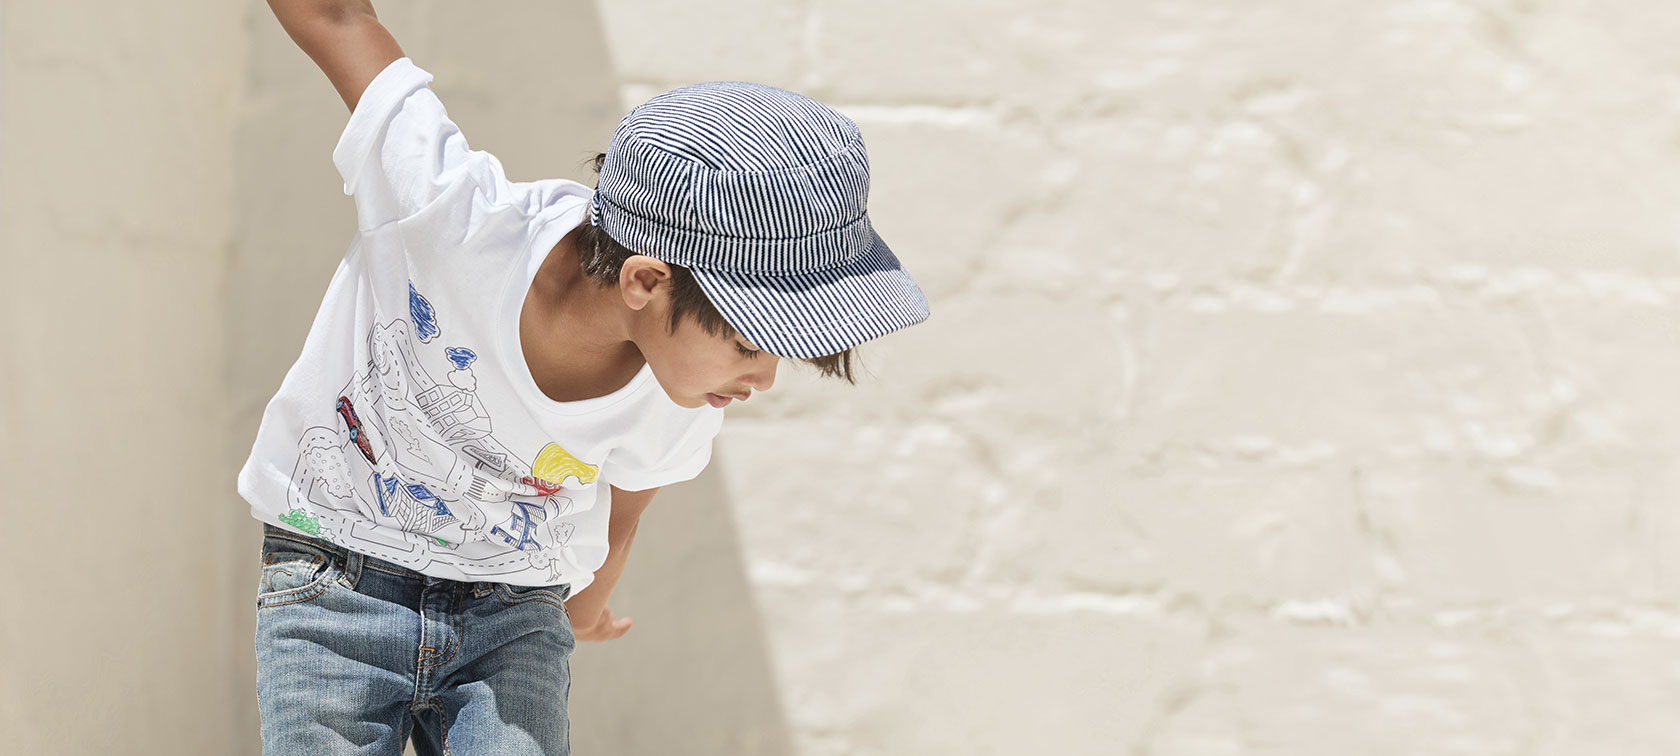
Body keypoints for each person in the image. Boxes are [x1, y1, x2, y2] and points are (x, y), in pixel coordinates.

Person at [241, 1, 931, 753]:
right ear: (644, 281)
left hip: (513, 617)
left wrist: (583, 611)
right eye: (747, 341)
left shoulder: (682, 397)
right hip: (335, 583)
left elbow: (621, 514)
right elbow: (340, 22)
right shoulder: (453, 219)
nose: (761, 379)